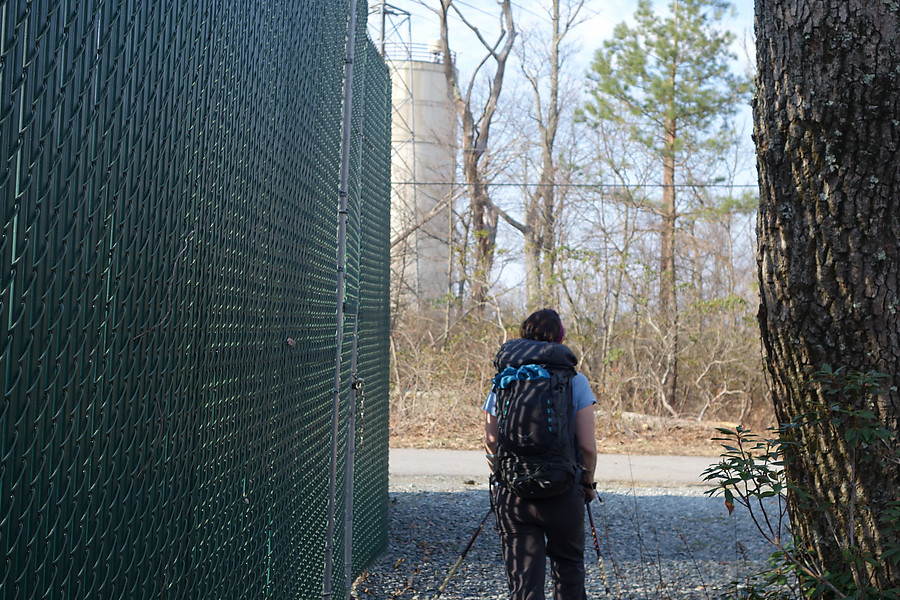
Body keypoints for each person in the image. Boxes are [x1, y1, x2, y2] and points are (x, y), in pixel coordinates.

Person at [483, 308, 598, 600]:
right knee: (569, 570)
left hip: (514, 494)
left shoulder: (507, 379)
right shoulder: (575, 381)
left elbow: (491, 439)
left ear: (524, 337)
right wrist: (587, 483)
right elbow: (587, 447)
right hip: (563, 489)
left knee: (525, 585)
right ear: (561, 338)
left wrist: (502, 474)